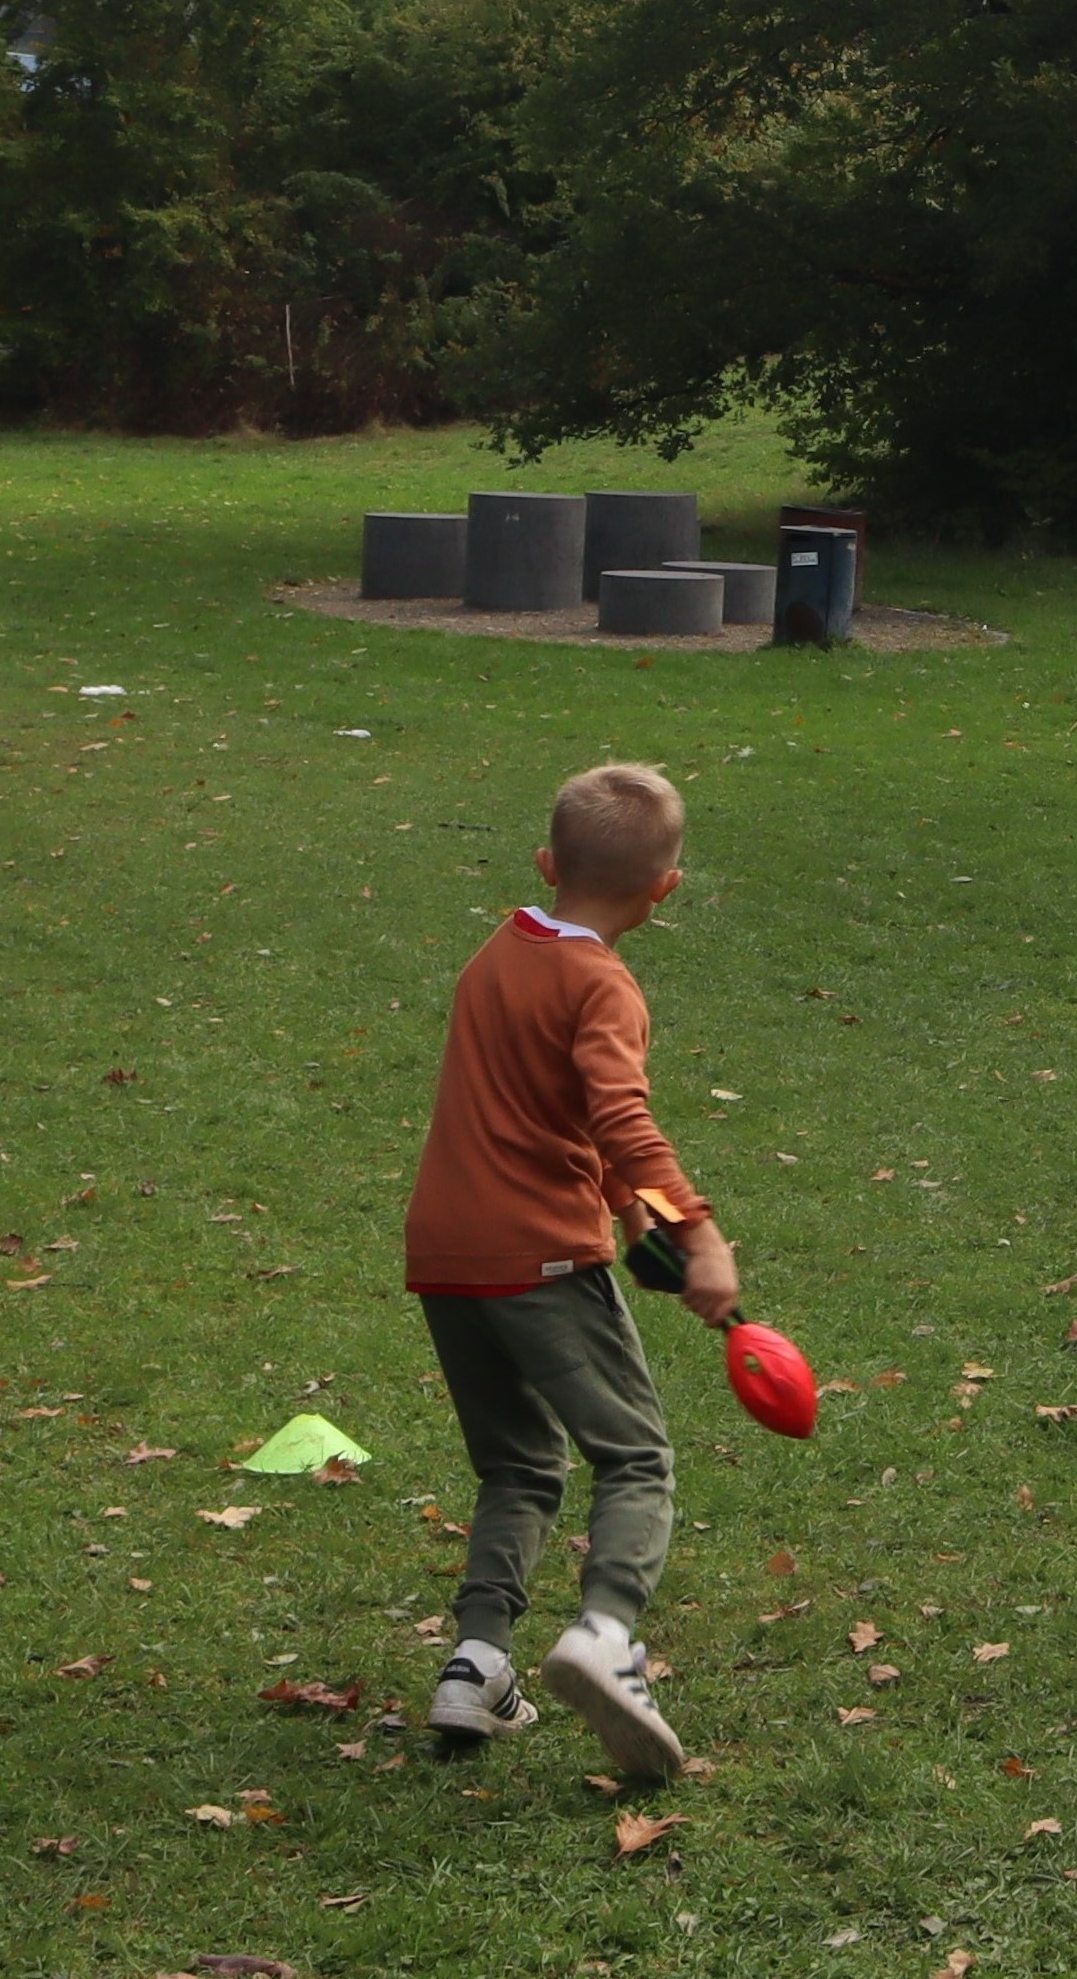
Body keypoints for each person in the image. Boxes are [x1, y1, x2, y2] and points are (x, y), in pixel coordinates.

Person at [402, 761, 728, 1782]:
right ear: (665, 890)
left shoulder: (498, 952)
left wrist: (629, 1214)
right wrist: (699, 1232)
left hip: (446, 1253)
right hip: (538, 1256)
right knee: (633, 1459)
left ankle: (478, 1662)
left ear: (547, 864)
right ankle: (608, 1635)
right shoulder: (603, 984)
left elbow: (546, 1108)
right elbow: (622, 1117)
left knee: (516, 1466)